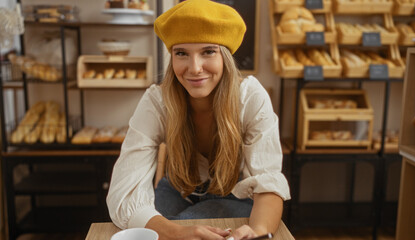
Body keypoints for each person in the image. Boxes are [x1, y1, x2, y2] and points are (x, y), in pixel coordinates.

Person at [106, 0, 291, 239]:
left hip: (235, 194)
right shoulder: (157, 101)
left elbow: (268, 183)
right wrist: (174, 231)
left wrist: (257, 230)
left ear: (224, 56)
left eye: (208, 52)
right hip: (175, 191)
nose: (194, 68)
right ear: (172, 58)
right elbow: (124, 194)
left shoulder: (250, 99)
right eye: (181, 53)